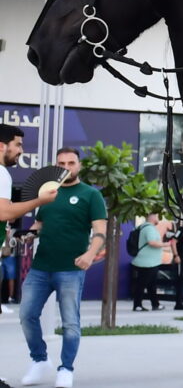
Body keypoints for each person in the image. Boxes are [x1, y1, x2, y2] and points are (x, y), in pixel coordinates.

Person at [19, 147, 106, 388]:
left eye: (71, 162)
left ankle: (66, 368)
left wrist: (90, 253)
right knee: (26, 315)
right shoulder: (47, 193)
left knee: (70, 323)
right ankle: (39, 360)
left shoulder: (91, 195)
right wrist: (28, 235)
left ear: (79, 165)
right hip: (40, 267)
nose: (66, 167)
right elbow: (39, 224)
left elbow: (100, 231)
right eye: (61, 163)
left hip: (71, 269)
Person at [1, 124, 59, 317]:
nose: (21, 151)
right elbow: (4, 212)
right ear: (2, 146)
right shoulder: (1, 174)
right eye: (18, 145)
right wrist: (41, 200)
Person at [130, 212, 166, 311]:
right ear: (152, 216)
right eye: (157, 215)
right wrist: (166, 244)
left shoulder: (143, 227)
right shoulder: (149, 228)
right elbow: (152, 242)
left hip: (149, 261)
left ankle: (155, 304)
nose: (159, 218)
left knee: (151, 284)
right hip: (147, 262)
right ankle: (137, 305)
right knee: (142, 283)